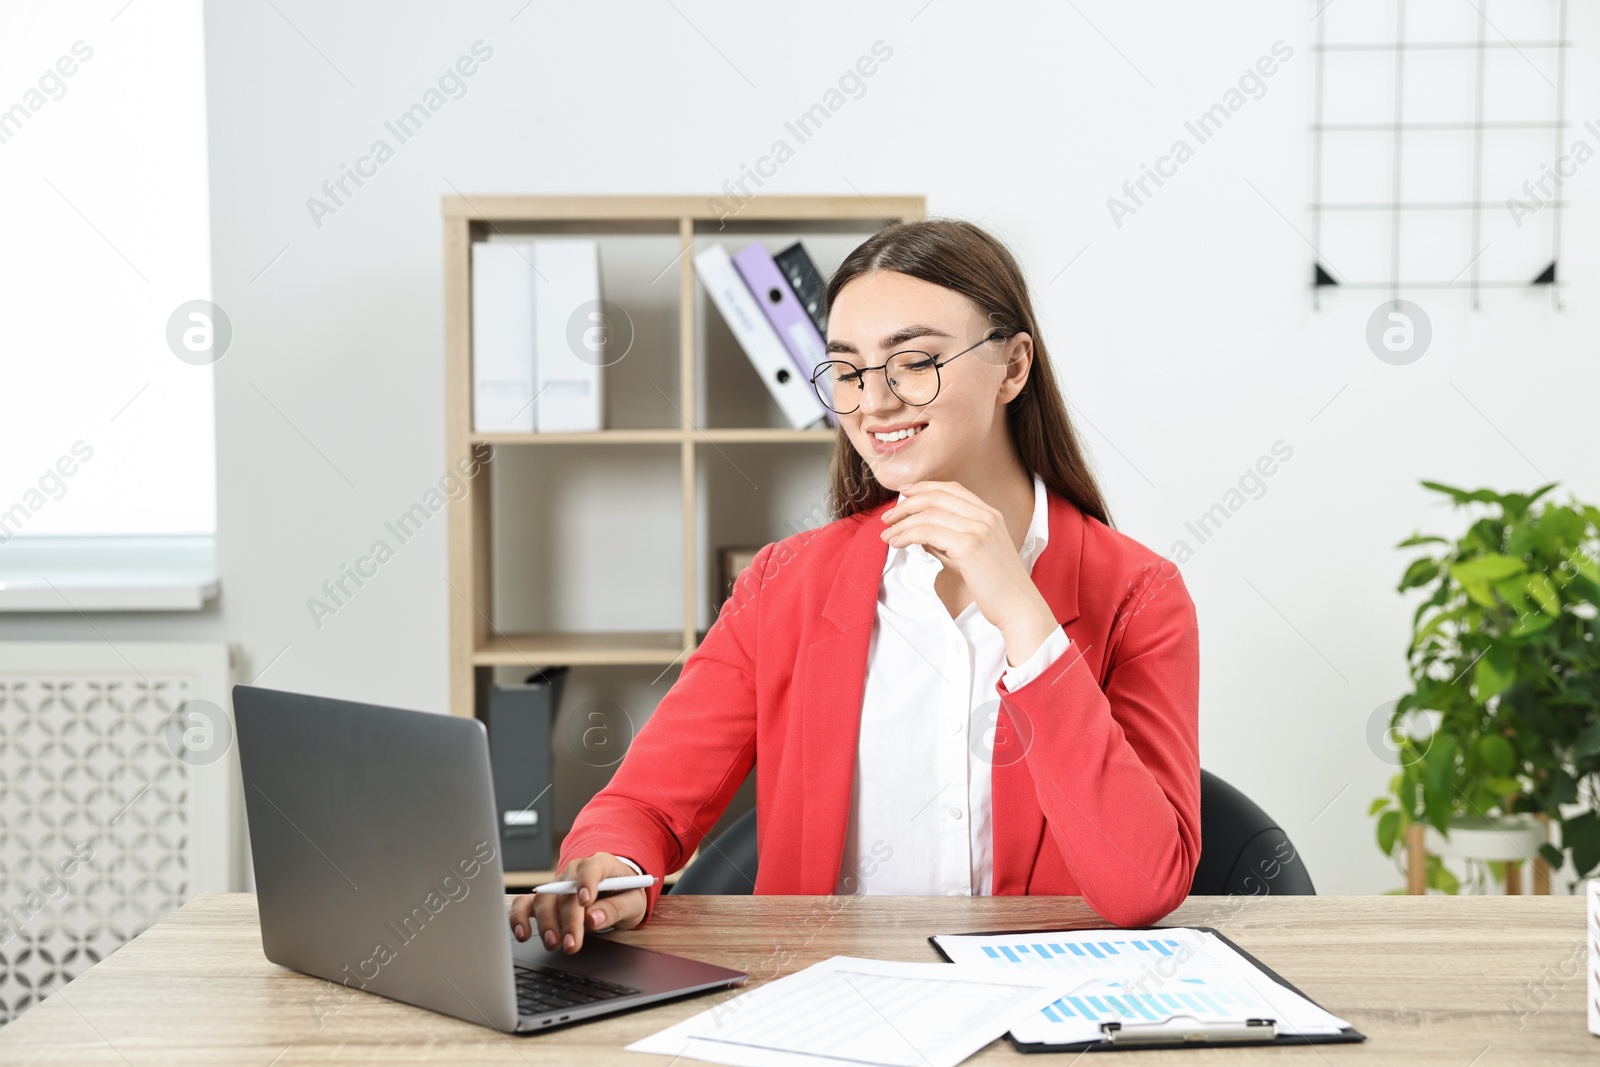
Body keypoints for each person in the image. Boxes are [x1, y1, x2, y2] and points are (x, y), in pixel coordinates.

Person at [509, 218, 1200, 954]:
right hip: (824, 1008)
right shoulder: (784, 586)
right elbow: (645, 805)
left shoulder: (1139, 595)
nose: (874, 403)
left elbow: (1142, 882)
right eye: (849, 370)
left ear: (1013, 367)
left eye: (914, 361)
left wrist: (1024, 615)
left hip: (1038, 1013)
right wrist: (610, 869)